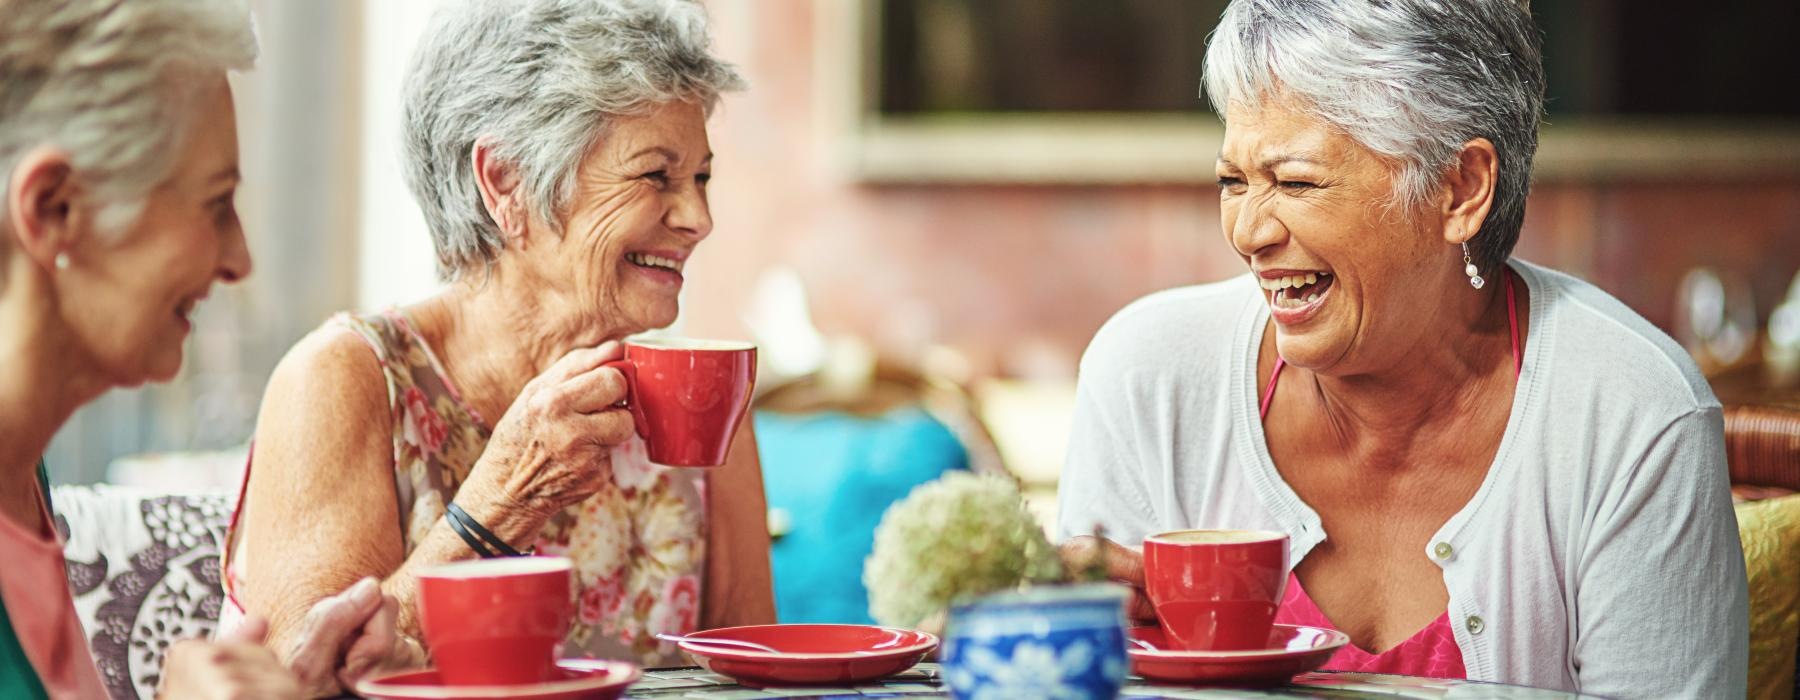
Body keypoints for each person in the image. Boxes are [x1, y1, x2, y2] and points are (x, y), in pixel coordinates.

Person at [1055, 0, 1748, 696]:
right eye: (1233, 181)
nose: (1247, 233)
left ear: (1461, 189)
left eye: (1296, 182)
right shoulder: (1150, 377)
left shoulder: (1635, 414)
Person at [223, 0, 775, 670]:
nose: (698, 217)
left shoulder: (699, 394)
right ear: (506, 180)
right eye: (656, 175)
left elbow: (751, 671)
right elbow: (301, 682)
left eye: (701, 177)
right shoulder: (343, 378)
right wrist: (503, 502)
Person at [0, 1, 397, 697]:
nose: (239, 259)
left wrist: (293, 681)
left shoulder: (24, 480)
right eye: (216, 204)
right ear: (54, 208)